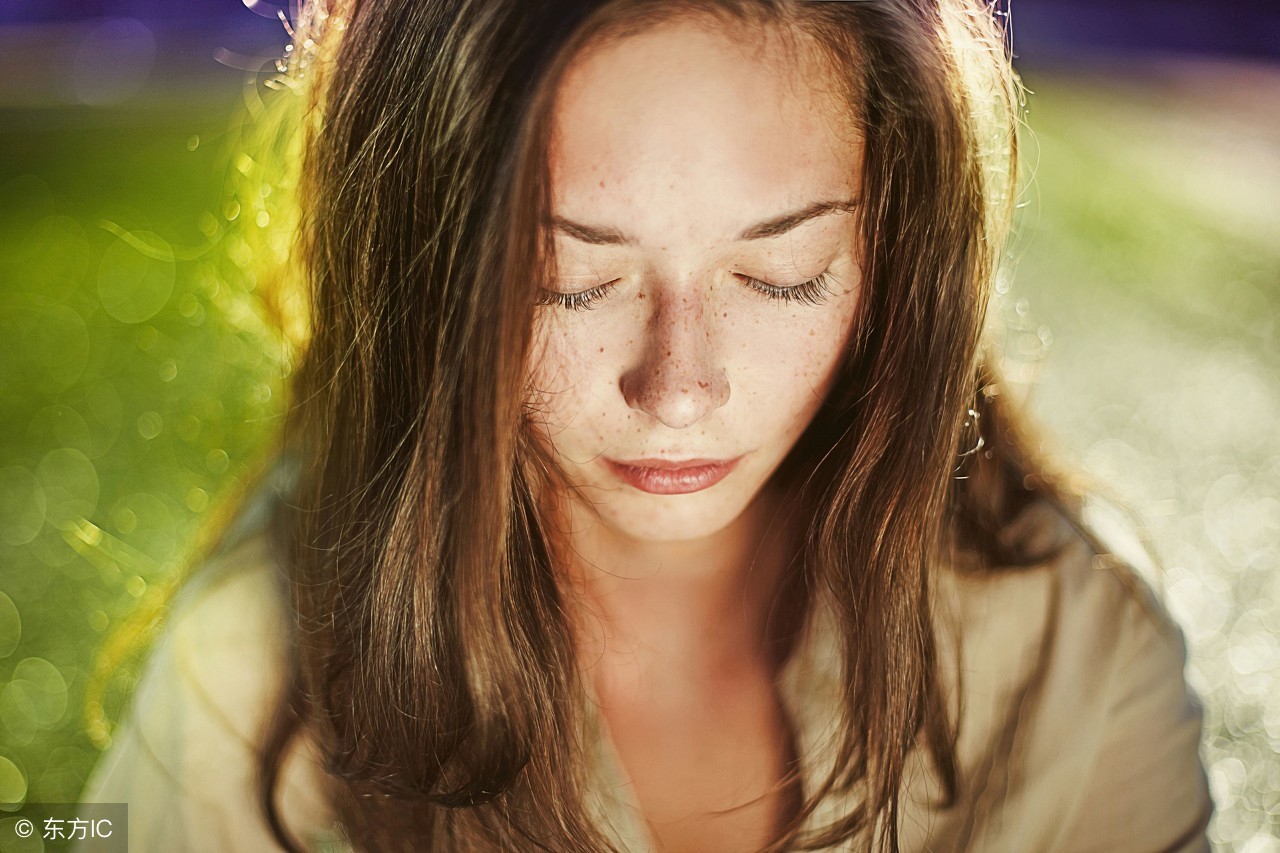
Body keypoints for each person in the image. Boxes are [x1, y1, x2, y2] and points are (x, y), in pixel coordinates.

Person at [77, 0, 1215, 850]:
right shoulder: (253, 677)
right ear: (422, 279)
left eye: (781, 273)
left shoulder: (1071, 649)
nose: (676, 388)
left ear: (896, 262)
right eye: (568, 280)